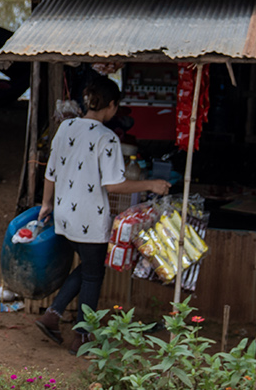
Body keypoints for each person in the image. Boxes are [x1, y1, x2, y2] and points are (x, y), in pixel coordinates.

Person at [34, 76, 170, 353]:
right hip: (89, 217)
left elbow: (51, 171)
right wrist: (151, 184)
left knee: (88, 267)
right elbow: (113, 184)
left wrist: (46, 204)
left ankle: (53, 315)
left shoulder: (65, 127)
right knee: (93, 274)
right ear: (111, 105)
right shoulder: (106, 137)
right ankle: (82, 336)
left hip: (64, 214)